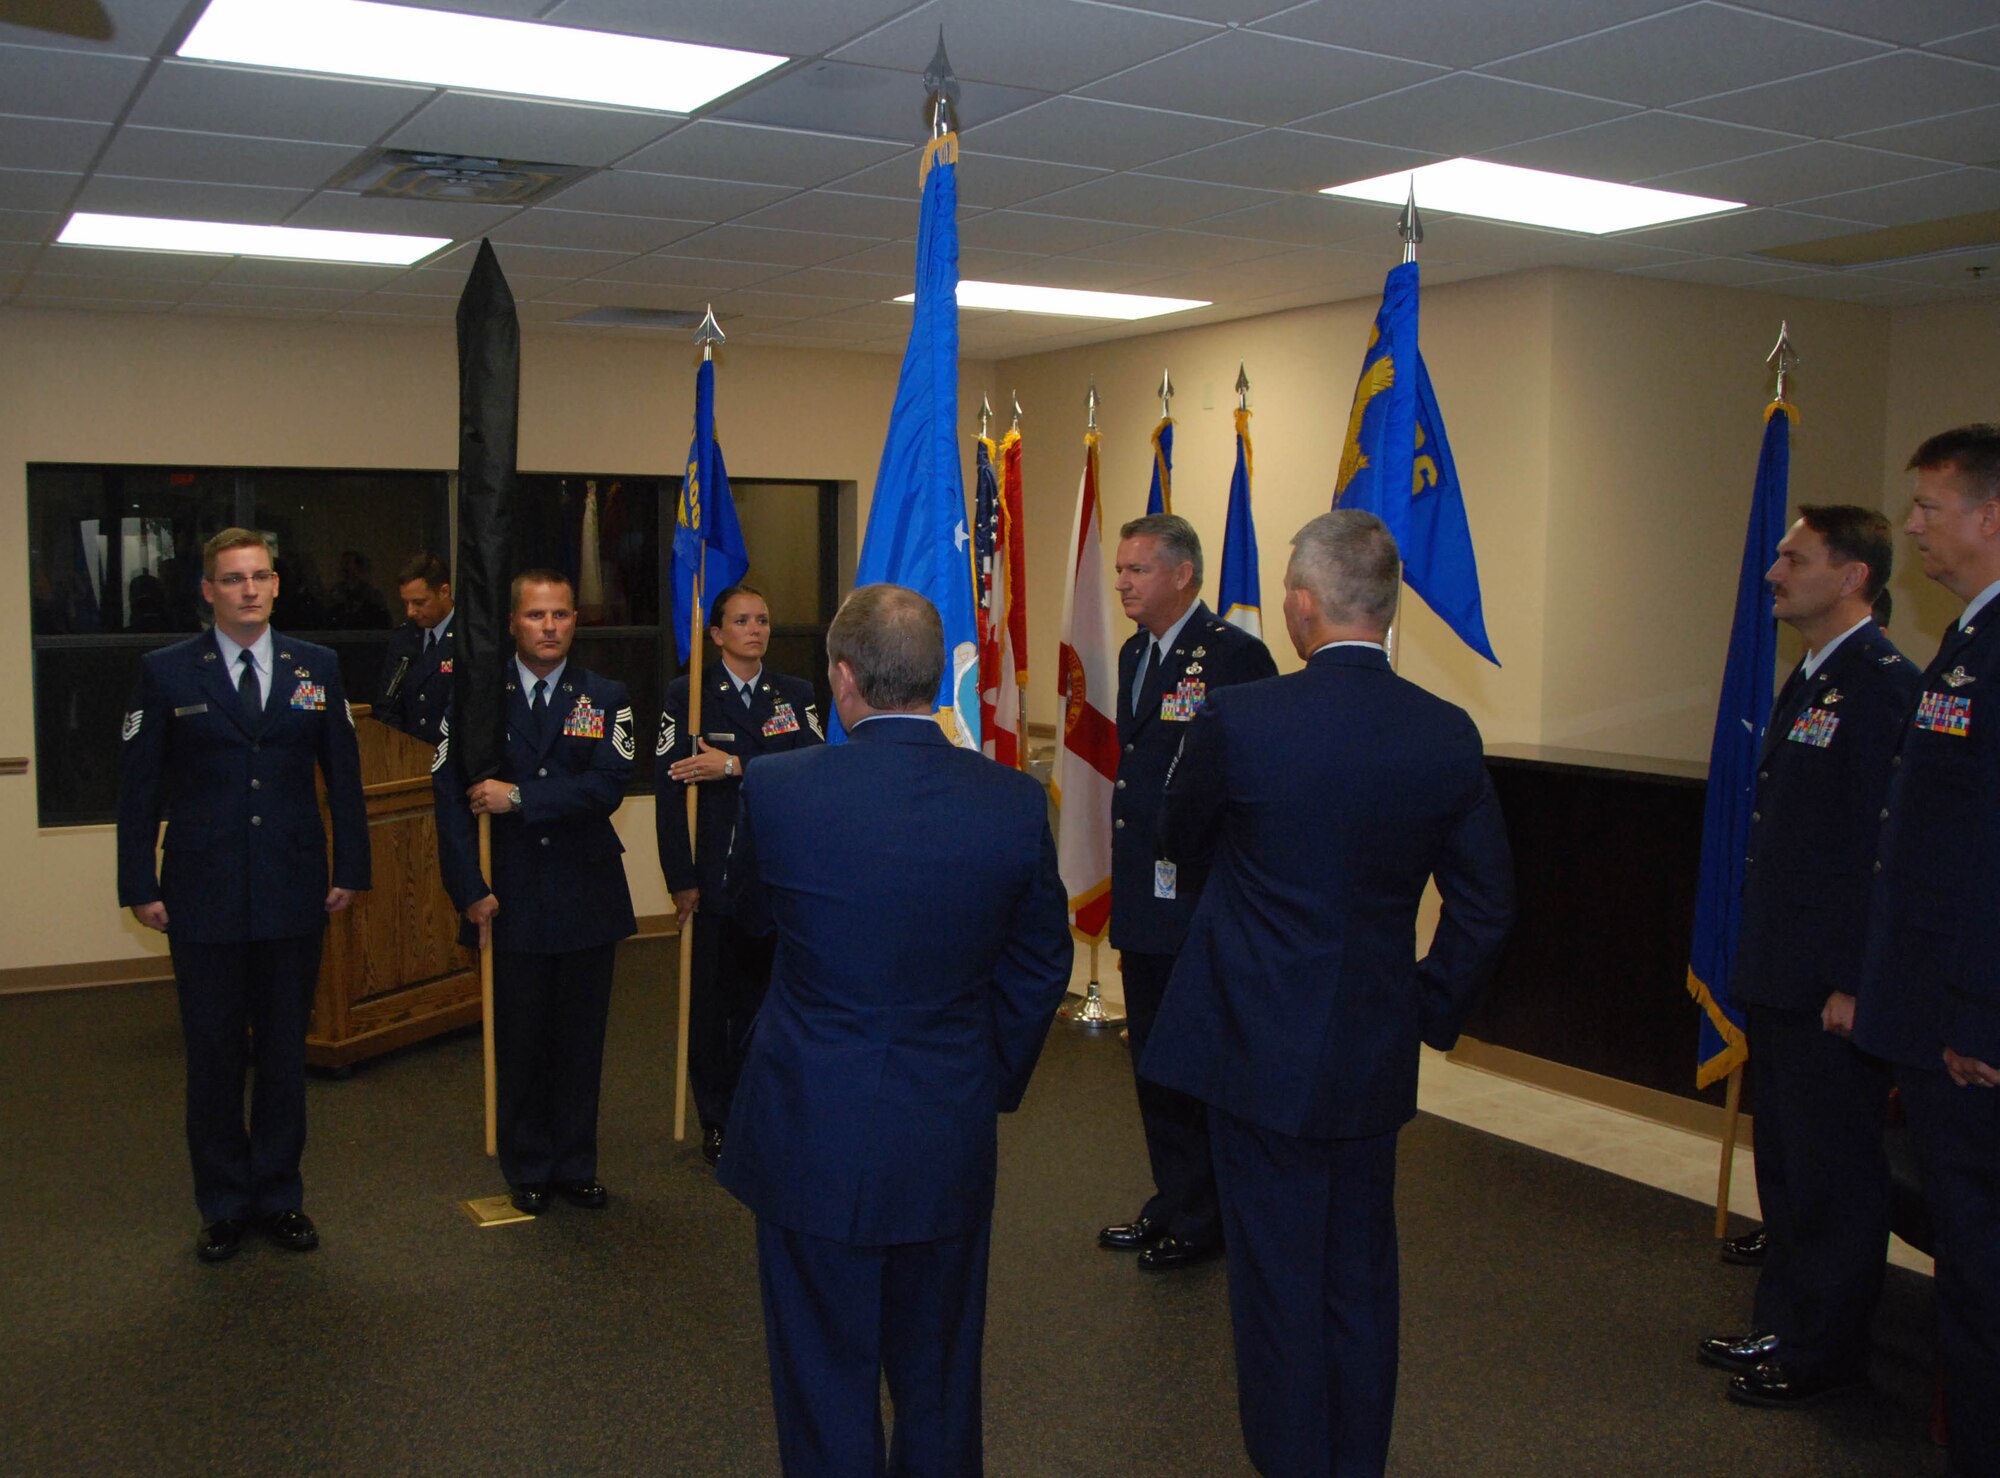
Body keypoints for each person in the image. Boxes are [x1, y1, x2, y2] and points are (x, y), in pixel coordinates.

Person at [1142, 510, 1514, 1477]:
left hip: (1256, 1046)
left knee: (1274, 1285)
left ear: (1302, 606)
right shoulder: (1445, 732)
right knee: (1360, 1279)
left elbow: (1185, 837)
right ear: (1385, 610)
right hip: (1371, 1046)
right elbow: (1487, 906)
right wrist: (1427, 1005)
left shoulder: (1247, 717)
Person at [716, 584, 1071, 1476]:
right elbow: (1039, 965)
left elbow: (750, 918)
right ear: (935, 676)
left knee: (822, 1378)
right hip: (945, 1123)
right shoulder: (1014, 803)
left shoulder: (778, 786)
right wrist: (985, 1076)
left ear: (843, 678)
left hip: (809, 1122)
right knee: (941, 1377)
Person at [1698, 506, 1918, 1407]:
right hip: (1785, 969)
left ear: (1852, 574)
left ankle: (1824, 1352)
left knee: (1833, 1174)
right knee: (1788, 1164)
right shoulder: (1818, 677)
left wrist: (1850, 980)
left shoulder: (1881, 685)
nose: (1774, 571)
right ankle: (1786, 1321)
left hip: (1830, 984)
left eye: (1795, 557)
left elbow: (1881, 854)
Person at [116, 527, 370, 1263]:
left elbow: (343, 778)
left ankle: (280, 1195)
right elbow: (138, 788)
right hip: (202, 894)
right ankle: (224, 1203)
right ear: (208, 591)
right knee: (216, 1056)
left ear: (277, 585)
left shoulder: (315, 667)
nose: (249, 589)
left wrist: (350, 866)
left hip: (294, 889)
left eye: (260, 576)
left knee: (286, 1056)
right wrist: (139, 880)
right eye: (232, 579)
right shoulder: (166, 672)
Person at [1856, 425, 2000, 1477]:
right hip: (1937, 1007)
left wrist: (1975, 1014)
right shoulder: (1965, 636)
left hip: (1970, 1029)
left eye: (1929, 506)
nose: (1911, 525)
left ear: (1989, 515)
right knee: (1968, 1272)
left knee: (1984, 1277)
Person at [1099, 512, 1277, 1272]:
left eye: (1138, 570)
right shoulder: (1137, 651)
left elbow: (1255, 784)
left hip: (1203, 898)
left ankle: (1206, 1215)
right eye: (1120, 569)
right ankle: (1173, 1198)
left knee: (1198, 1062)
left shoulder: (1235, 658)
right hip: (1146, 889)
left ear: (1184, 574)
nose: (1123, 583)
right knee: (1154, 1062)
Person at [433, 569, 637, 1216]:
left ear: (576, 620)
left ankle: (575, 1163)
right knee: (520, 1039)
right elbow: (449, 803)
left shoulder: (606, 696)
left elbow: (607, 786)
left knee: (580, 1041)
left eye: (561, 615)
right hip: (508, 893)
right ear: (513, 623)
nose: (550, 628)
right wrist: (468, 887)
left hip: (585, 892)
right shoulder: (476, 701)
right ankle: (528, 1165)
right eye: (535, 616)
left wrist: (518, 796)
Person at [655, 584, 824, 1165]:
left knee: (771, 1002)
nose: (756, 630)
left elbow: (811, 769)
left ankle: (767, 1110)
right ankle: (719, 1117)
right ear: (716, 633)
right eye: (743, 620)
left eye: (763, 619)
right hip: (715, 877)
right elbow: (669, 790)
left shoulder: (795, 694)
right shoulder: (690, 696)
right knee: (712, 1007)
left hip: (776, 878)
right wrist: (680, 876)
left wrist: (732, 765)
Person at [373, 553, 456, 744]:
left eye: (419, 603)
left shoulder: (469, 637)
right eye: (406, 603)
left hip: (451, 756)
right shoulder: (404, 639)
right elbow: (387, 706)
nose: (410, 612)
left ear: (444, 592)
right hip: (409, 756)